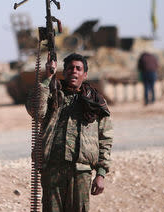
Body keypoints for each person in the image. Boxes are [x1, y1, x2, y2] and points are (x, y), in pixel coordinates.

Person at [26, 53, 113, 212]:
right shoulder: (52, 95)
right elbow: (35, 110)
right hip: (52, 169)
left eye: (78, 69)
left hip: (81, 172)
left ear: (84, 74)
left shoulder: (95, 102)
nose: (74, 71)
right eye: (70, 68)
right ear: (64, 72)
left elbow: (105, 140)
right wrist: (48, 78)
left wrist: (100, 174)